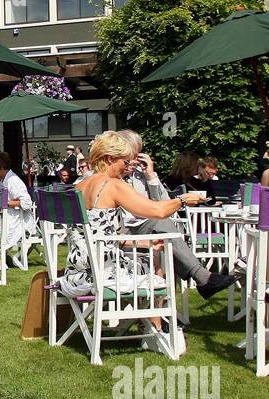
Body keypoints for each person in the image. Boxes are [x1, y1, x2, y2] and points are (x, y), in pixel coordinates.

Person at [59, 131, 206, 306]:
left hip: (77, 273)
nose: (126, 167)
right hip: (104, 273)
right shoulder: (112, 185)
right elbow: (157, 210)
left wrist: (143, 244)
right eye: (125, 161)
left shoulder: (78, 187)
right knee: (157, 265)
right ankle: (155, 325)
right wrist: (183, 200)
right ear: (109, 158)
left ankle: (140, 323)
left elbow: (97, 234)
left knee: (149, 254)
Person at [117, 129, 237, 299]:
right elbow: (157, 211)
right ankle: (201, 279)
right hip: (123, 233)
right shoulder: (111, 177)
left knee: (166, 242)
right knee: (163, 226)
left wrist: (151, 176)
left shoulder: (140, 174)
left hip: (146, 230)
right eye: (132, 155)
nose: (135, 161)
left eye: (138, 155)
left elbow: (163, 202)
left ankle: (166, 317)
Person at [0, 152, 34, 250]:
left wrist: (6, 202)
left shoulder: (13, 181)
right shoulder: (3, 180)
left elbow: (27, 203)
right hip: (7, 218)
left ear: (1, 168)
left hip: (19, 222)